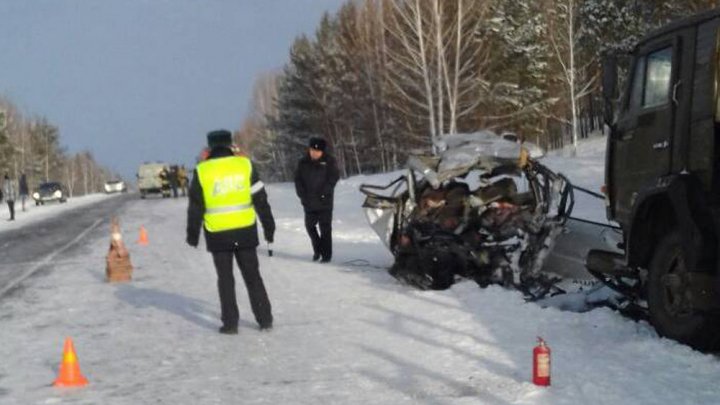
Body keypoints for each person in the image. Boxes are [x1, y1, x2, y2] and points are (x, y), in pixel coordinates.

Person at [186, 129, 276, 335]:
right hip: (245, 231)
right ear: (230, 144)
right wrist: (268, 226)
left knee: (225, 279)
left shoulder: (202, 171)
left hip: (218, 234)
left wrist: (193, 235)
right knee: (253, 276)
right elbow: (260, 199)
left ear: (210, 147)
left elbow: (195, 206)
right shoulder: (245, 165)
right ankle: (264, 319)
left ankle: (230, 323)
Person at [294, 137, 340, 263]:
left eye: (317, 151)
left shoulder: (329, 161)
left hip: (325, 202)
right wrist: (301, 195)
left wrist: (325, 193)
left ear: (322, 151)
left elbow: (333, 178)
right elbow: (297, 180)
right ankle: (317, 249)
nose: (314, 153)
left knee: (325, 229)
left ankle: (326, 255)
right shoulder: (302, 162)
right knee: (310, 227)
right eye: (312, 150)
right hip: (308, 201)